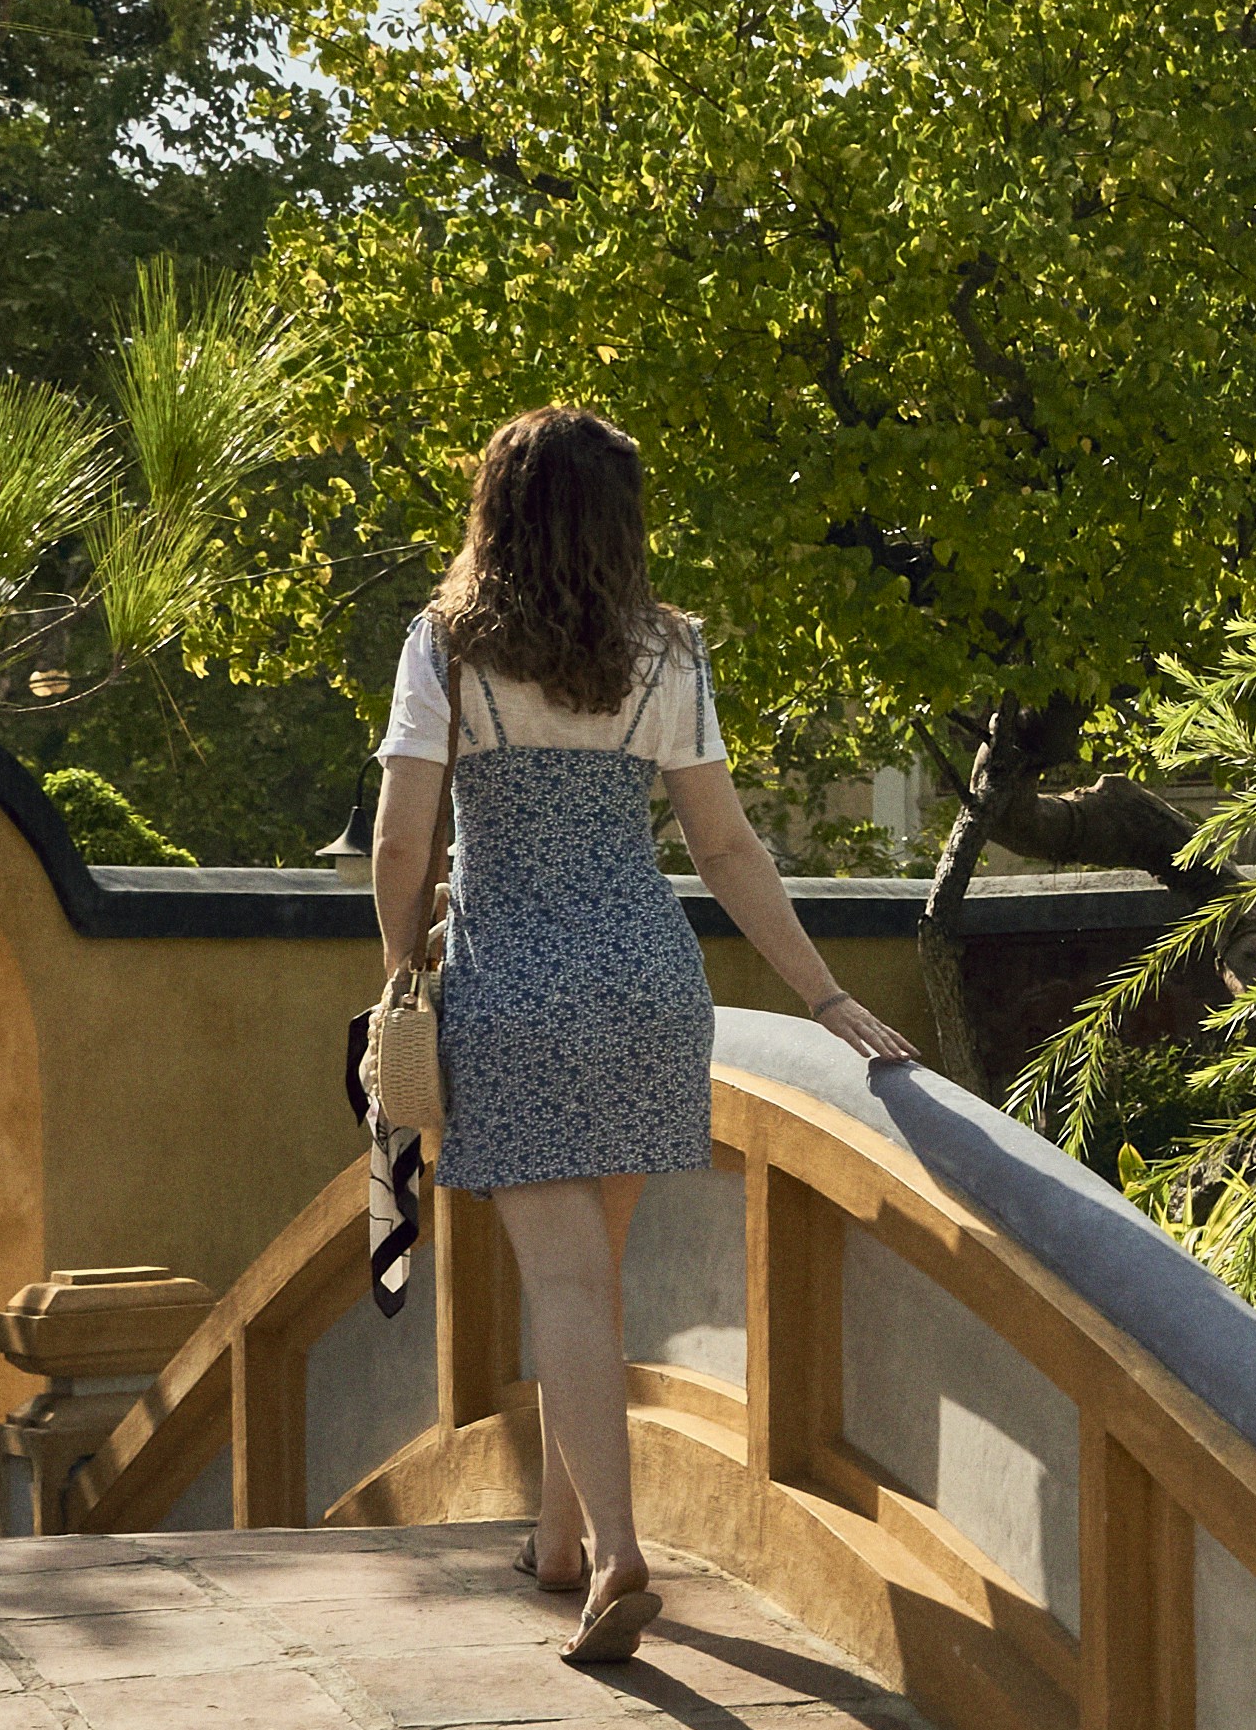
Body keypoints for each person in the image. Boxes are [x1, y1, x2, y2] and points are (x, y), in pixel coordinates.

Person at [370, 406, 916, 1663]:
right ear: (622, 523)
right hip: (647, 987)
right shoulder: (667, 653)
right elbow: (725, 848)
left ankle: (617, 1552)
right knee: (593, 1282)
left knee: (562, 1285)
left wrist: (404, 977)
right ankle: (559, 1545)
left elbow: (402, 844)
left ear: (495, 511)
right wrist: (825, 993)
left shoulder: (444, 647)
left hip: (510, 986)